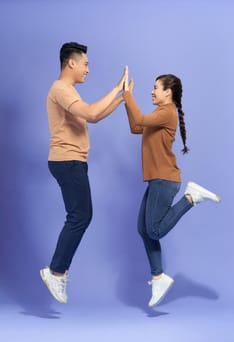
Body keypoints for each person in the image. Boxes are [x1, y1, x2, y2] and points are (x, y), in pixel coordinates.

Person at [123, 70, 221, 308]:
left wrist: (127, 95)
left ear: (168, 92)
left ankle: (191, 197)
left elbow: (141, 120)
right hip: (158, 179)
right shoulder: (159, 114)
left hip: (165, 179)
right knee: (143, 229)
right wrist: (126, 100)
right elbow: (137, 126)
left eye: (156, 87)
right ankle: (158, 278)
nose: (152, 91)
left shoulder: (167, 112)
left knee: (153, 231)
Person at [40, 42, 127, 303]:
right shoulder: (61, 90)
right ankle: (56, 271)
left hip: (71, 161)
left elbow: (95, 117)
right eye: (86, 64)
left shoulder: (69, 92)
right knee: (80, 215)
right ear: (72, 63)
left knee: (80, 215)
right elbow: (90, 113)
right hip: (68, 161)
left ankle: (57, 270)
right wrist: (115, 88)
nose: (88, 69)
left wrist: (121, 99)